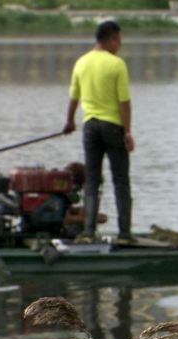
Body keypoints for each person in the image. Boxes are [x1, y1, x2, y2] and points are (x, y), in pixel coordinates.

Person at [62, 20, 134, 243]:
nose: (119, 45)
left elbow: (74, 97)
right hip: (113, 126)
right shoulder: (116, 64)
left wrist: (70, 121)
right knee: (120, 180)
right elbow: (124, 102)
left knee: (92, 181)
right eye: (118, 40)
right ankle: (124, 234)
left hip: (90, 126)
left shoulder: (81, 62)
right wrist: (128, 132)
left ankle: (88, 232)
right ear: (111, 39)